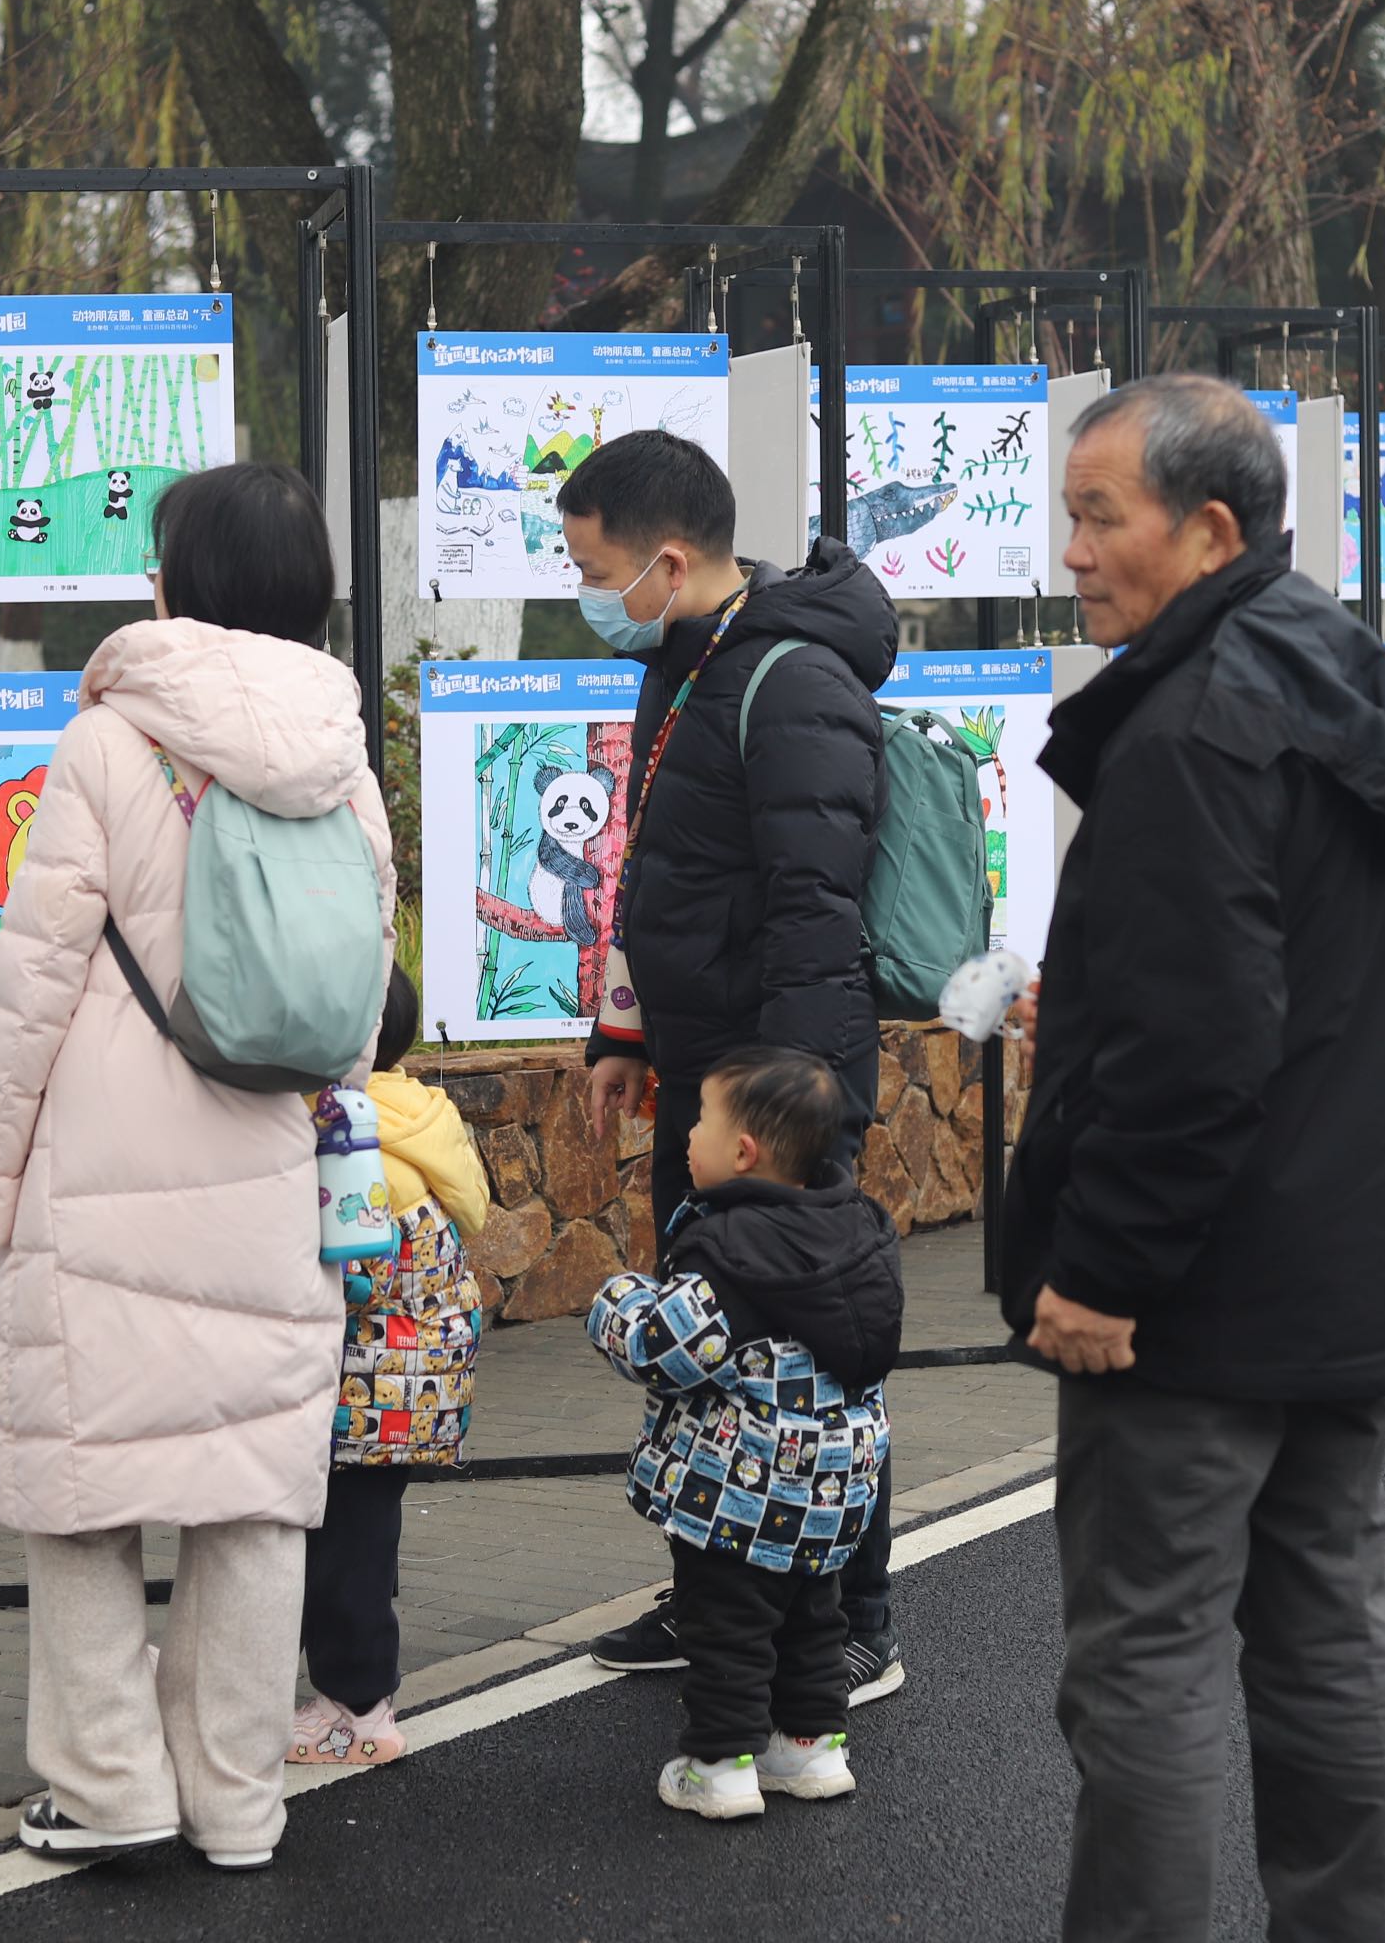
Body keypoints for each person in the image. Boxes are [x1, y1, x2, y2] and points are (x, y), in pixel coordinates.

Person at [1002, 373, 1385, 1940]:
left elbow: (1196, 1050)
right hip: (1339, 1262)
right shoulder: (1339, 674)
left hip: (1193, 1292)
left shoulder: (1194, 729)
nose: (1071, 552)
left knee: (1142, 1661)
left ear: (1206, 530)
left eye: (1096, 517)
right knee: (1329, 1626)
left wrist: (1103, 1269)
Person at [0, 462, 393, 1864]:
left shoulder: (106, 747)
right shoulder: (342, 752)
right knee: (253, 1497)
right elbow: (356, 982)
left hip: (102, 1170)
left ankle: (112, 1794)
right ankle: (238, 1806)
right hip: (269, 1166)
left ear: (177, 580)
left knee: (82, 1494)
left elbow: (30, 990)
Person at [556, 431, 912, 1704]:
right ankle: (722, 1589)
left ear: (663, 560)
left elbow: (817, 911)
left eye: (589, 566)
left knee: (811, 1353)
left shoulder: (795, 676)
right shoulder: (683, 657)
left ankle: (851, 1614)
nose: (580, 589)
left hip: (777, 1097)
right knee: (716, 1351)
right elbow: (662, 870)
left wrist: (782, 1113)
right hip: (706, 1080)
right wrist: (625, 1035)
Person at [581, 1045, 903, 1821]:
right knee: (810, 1613)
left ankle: (719, 1766)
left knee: (724, 1622)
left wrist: (616, 1301)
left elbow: (668, 1349)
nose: (686, 1134)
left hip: (742, 1489)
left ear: (744, 1152)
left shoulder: (736, 1251)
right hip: (834, 1489)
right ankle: (809, 1748)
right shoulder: (856, 1234)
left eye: (699, 1120)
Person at [289, 965, 491, 1769]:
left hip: (364, 1384)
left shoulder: (349, 1135)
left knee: (345, 1551)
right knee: (364, 1540)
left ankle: (358, 1709)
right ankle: (354, 1686)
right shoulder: (418, 1113)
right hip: (415, 1379)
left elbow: (356, 1271)